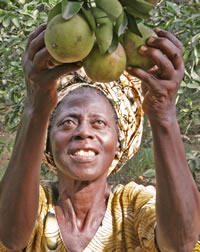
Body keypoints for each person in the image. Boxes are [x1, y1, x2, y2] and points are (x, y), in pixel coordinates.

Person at [0, 23, 200, 252]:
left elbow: (182, 243)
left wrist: (164, 115)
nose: (83, 132)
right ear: (47, 142)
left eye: (99, 123)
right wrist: (35, 109)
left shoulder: (134, 206)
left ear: (119, 144)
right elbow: (10, 237)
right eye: (68, 122)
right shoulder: (34, 203)